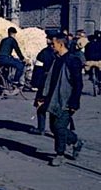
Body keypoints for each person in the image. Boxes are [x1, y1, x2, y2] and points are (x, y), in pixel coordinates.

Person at [36, 33, 84, 167]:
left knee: (59, 127)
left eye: (53, 44)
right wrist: (42, 97)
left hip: (66, 99)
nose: (51, 46)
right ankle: (75, 141)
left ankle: (60, 154)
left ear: (61, 44)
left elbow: (78, 84)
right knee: (54, 127)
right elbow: (49, 81)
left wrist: (74, 102)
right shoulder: (55, 59)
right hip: (53, 99)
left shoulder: (72, 61)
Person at [29, 32, 57, 135]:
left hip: (44, 83)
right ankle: (55, 130)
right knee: (54, 106)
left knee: (40, 106)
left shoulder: (44, 53)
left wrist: (35, 83)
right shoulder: (60, 53)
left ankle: (41, 128)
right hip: (56, 83)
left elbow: (38, 69)